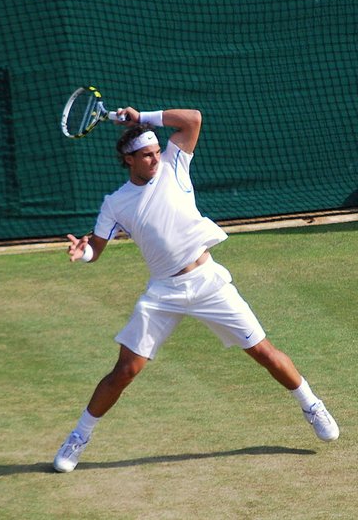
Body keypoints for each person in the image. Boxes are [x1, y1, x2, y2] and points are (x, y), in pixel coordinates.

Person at [53, 105, 339, 473]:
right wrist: (84, 251)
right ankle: (79, 435)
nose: (155, 158)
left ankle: (311, 404)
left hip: (207, 281)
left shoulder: (175, 164)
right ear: (128, 160)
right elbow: (96, 249)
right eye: (146, 155)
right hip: (163, 293)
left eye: (157, 151)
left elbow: (193, 118)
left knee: (263, 352)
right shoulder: (115, 203)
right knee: (125, 370)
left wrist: (143, 117)